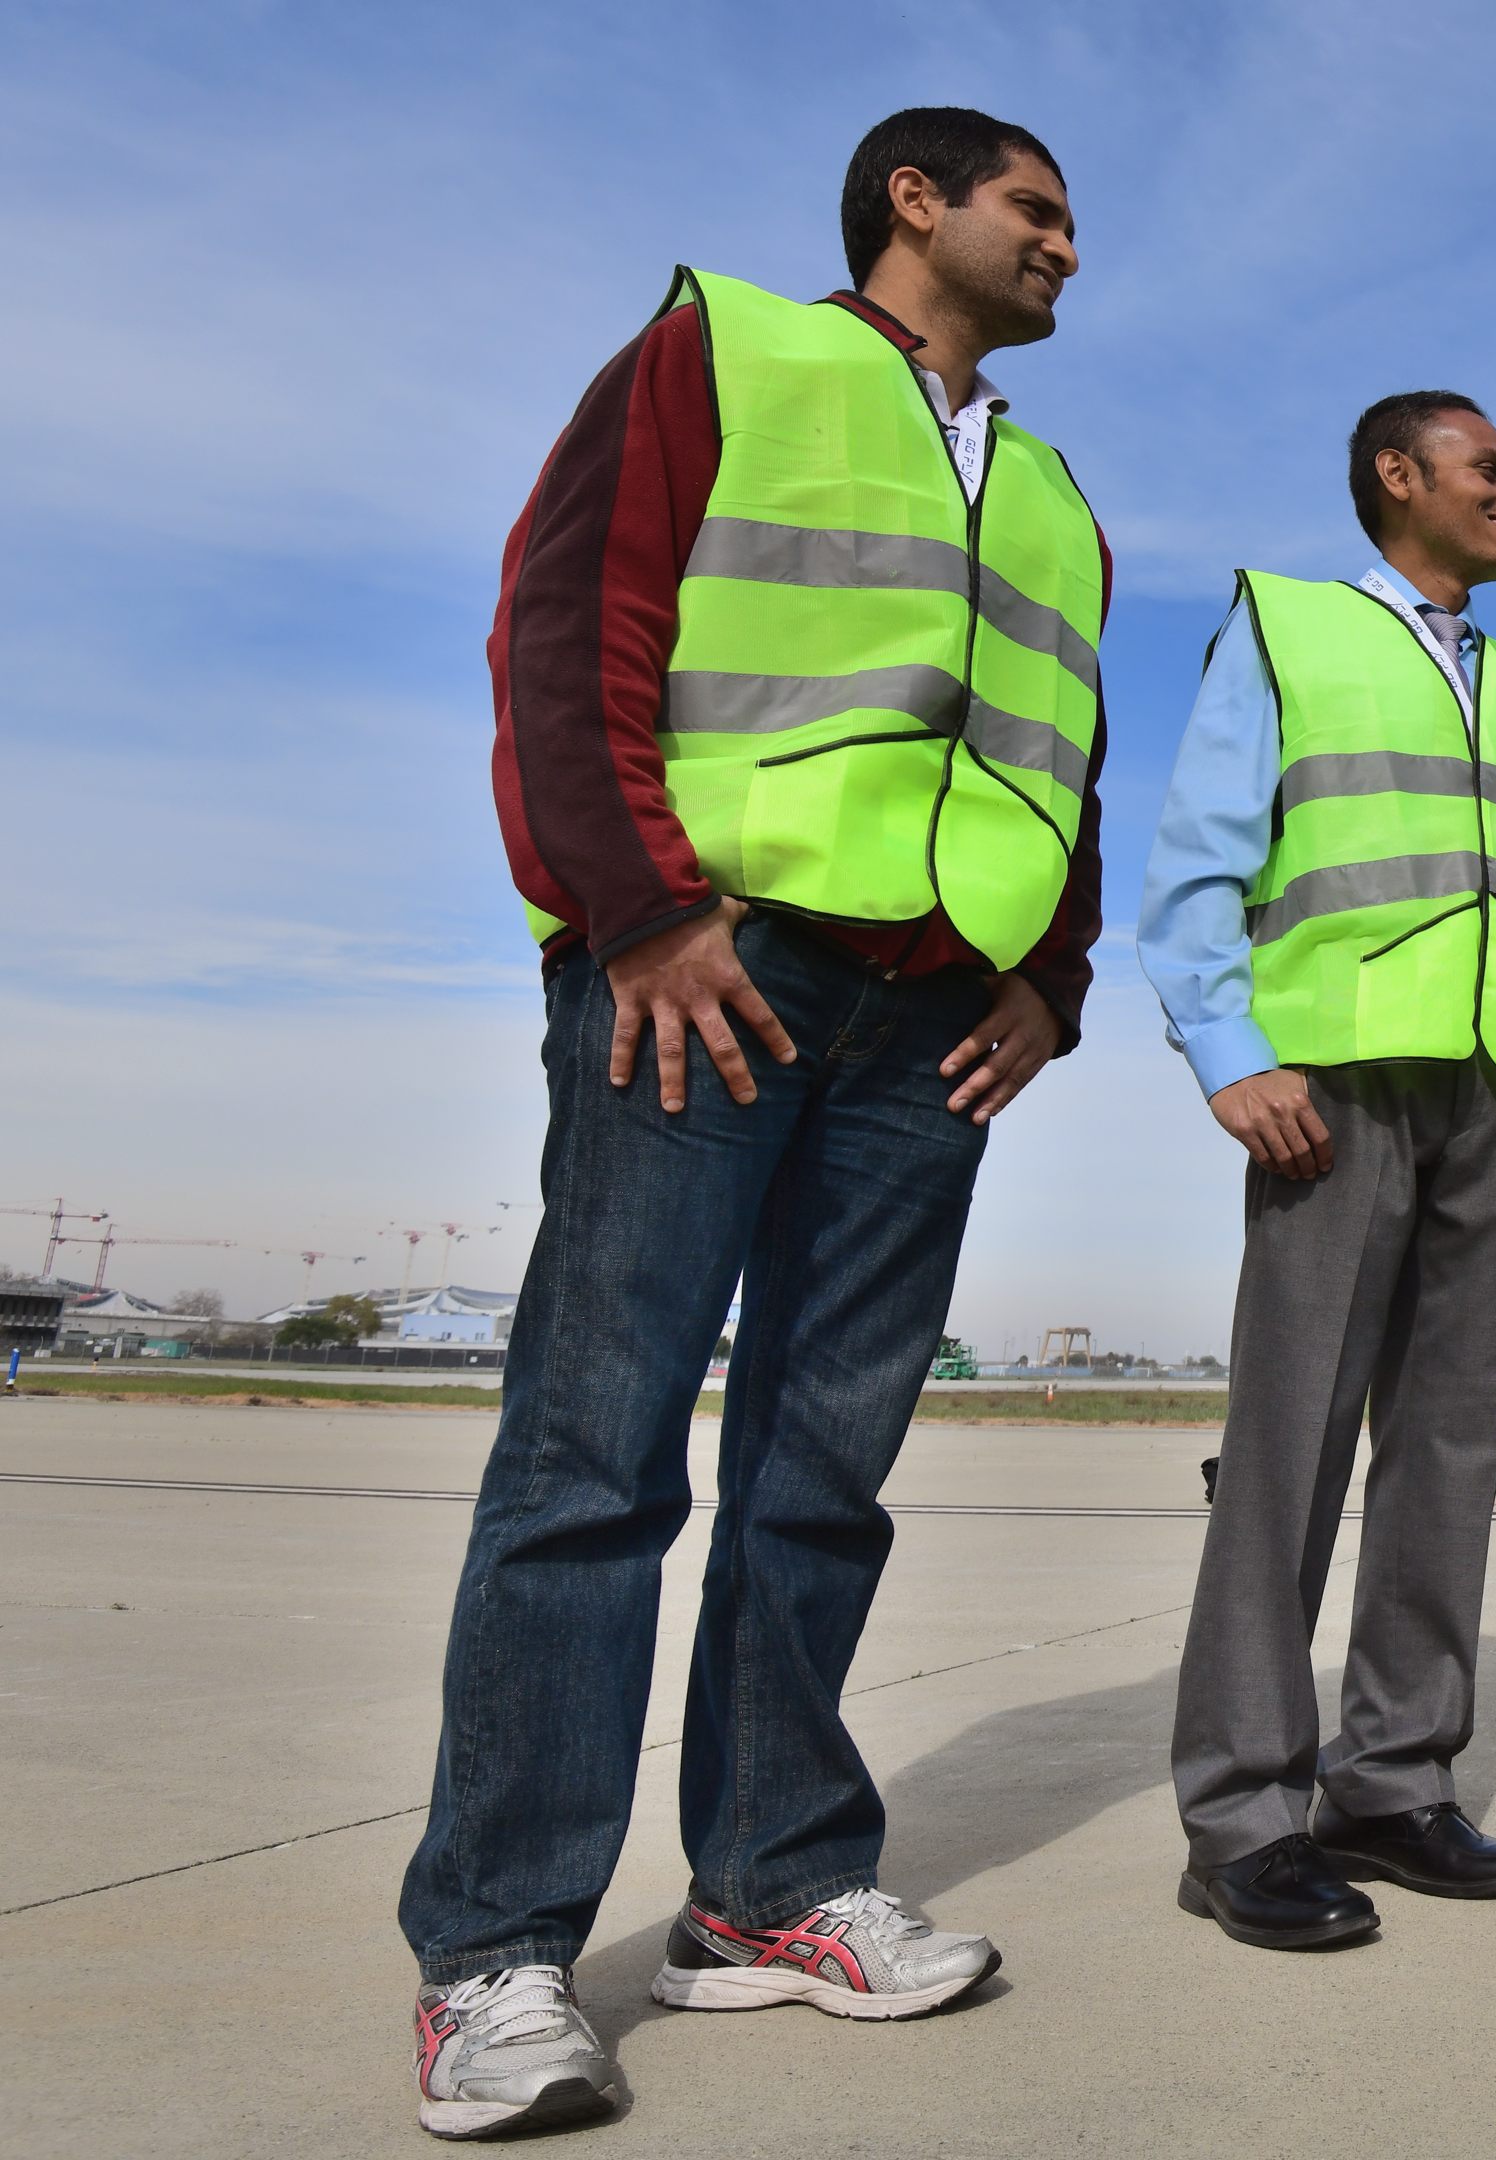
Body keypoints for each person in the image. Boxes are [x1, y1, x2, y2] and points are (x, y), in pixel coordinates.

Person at [409, 106, 1098, 2140]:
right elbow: (569, 629)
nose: (1068, 248)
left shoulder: (1053, 489)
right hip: (711, 968)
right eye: (1036, 211)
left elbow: (1058, 746)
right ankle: (496, 1952)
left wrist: (1049, 981)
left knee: (824, 1470)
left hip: (930, 1022)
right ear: (917, 199)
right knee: (594, 1456)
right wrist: (636, 908)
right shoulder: (730, 350)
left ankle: (767, 1888)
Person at [1139, 391, 1496, 1953]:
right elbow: (1197, 860)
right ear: (1399, 477)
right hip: (1333, 1087)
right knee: (1291, 1452)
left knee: (1448, 1454)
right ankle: (1245, 1816)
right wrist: (1228, 1050)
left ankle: (1394, 1782)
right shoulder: (1287, 629)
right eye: (1493, 469)